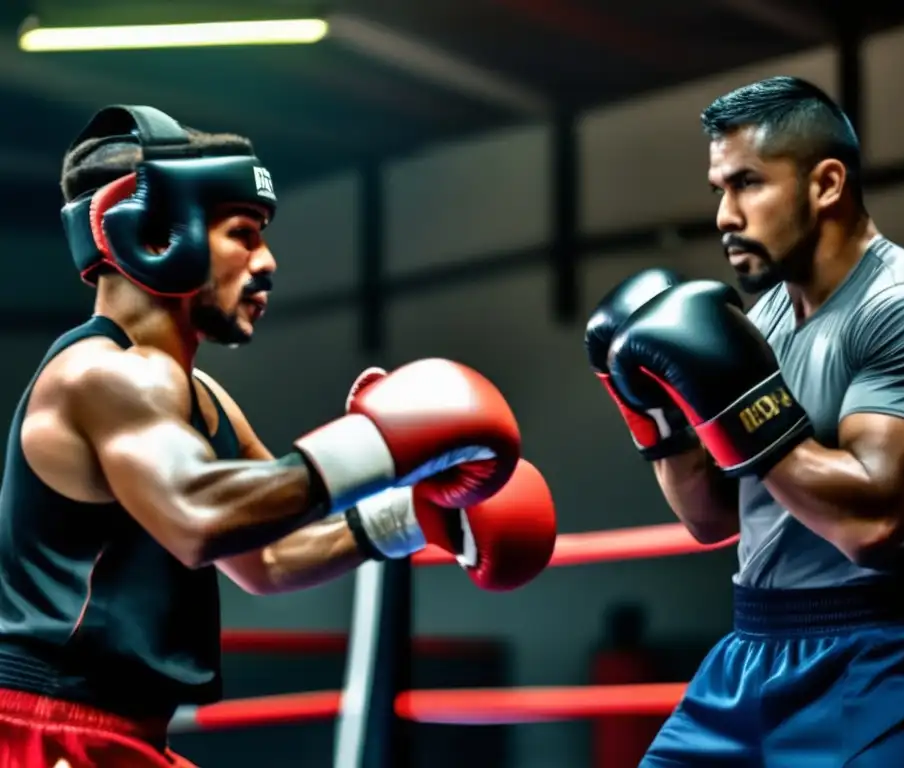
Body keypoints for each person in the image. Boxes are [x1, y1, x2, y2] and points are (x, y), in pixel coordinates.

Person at [0, 105, 557, 768]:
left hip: (119, 734)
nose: (267, 262)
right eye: (244, 233)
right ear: (157, 233)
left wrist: (410, 516)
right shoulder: (102, 376)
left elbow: (268, 554)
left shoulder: (198, 398)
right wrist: (384, 447)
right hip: (46, 731)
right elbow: (200, 515)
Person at [586, 76, 904, 766]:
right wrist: (656, 420)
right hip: (751, 655)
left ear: (827, 184)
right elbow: (712, 518)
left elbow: (870, 525)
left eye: (747, 183)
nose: (724, 214)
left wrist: (740, 403)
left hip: (884, 660)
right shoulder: (762, 320)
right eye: (719, 188)